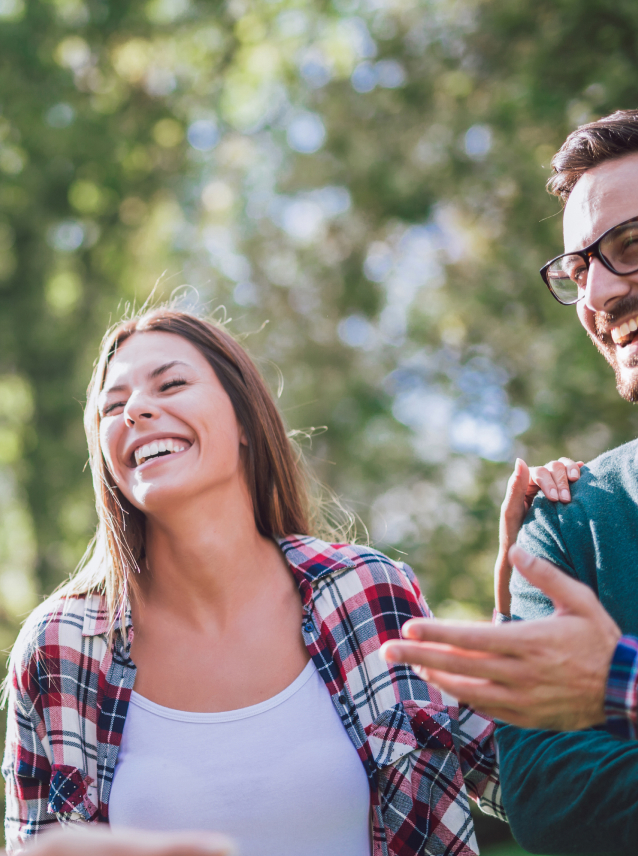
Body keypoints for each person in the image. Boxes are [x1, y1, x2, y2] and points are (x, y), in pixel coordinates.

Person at [1, 307, 505, 856]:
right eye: (113, 407)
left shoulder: (369, 594)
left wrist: (525, 609)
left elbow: (525, 780)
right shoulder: (59, 649)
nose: (136, 411)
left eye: (171, 384)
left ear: (244, 420)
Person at [382, 109, 638, 853]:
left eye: (629, 247)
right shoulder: (568, 520)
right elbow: (554, 807)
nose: (596, 297)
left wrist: (617, 685)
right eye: (578, 269)